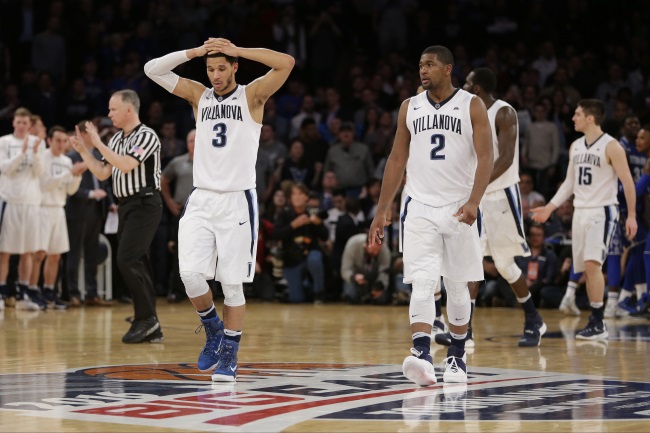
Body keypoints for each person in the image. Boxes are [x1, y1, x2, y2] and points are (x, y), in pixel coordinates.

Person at [144, 37, 294, 381]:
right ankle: (213, 328)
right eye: (210, 69)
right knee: (190, 275)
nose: (215, 75)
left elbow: (285, 62)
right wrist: (193, 53)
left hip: (237, 198)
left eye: (222, 68)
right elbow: (152, 69)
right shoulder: (199, 96)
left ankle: (230, 352)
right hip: (201, 197)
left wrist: (239, 49)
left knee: (232, 284)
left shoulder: (252, 95)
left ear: (235, 67)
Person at [368, 45, 493, 386]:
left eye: (430, 65)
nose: (422, 70)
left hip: (459, 207)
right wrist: (382, 210)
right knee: (422, 282)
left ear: (448, 68)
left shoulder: (472, 105)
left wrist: (474, 201)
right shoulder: (409, 107)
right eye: (420, 65)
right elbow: (396, 159)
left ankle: (456, 357)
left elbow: (487, 157)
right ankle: (421, 355)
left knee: (457, 285)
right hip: (419, 206)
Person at [436, 67, 546, 348]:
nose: (464, 85)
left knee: (505, 265)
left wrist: (477, 186)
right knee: (471, 260)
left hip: (500, 196)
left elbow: (507, 158)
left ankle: (533, 319)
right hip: (477, 195)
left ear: (478, 89)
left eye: (468, 82)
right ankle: (465, 329)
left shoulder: (504, 112)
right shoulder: (468, 112)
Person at [532, 99, 637, 340]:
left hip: (603, 211)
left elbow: (628, 182)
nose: (573, 118)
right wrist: (550, 207)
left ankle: (598, 322)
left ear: (590, 118)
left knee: (592, 265)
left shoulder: (612, 146)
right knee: (586, 270)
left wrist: (631, 215)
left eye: (577, 114)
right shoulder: (575, 146)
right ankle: (596, 321)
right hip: (580, 211)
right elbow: (569, 183)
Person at [69, 90, 163, 343]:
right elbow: (102, 173)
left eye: (113, 109)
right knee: (138, 262)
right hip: (126, 206)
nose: (109, 114)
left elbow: (126, 165)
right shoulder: (117, 139)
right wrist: (84, 152)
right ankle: (149, 321)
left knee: (126, 259)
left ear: (129, 110)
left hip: (145, 203)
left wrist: (98, 143)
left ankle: (147, 319)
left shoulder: (146, 135)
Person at [29, 125, 85, 309]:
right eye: (58, 140)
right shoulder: (43, 157)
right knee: (39, 254)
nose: (61, 144)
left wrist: (76, 176)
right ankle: (31, 290)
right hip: (42, 208)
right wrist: (70, 173)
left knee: (55, 255)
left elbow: (70, 190)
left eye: (64, 141)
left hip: (59, 209)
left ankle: (49, 291)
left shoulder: (66, 161)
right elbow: (46, 184)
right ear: (49, 140)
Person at [65, 120, 115, 307]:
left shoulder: (98, 155)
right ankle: (73, 294)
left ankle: (92, 293)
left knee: (92, 253)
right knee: (74, 253)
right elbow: (68, 187)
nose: (94, 135)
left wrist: (110, 203)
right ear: (83, 135)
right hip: (77, 210)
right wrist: (90, 194)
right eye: (90, 132)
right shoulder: (71, 157)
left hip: (96, 211)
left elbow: (105, 184)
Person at [0, 107, 46, 311]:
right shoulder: (4, 142)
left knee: (28, 251)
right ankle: (1, 293)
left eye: (24, 123)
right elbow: (5, 169)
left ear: (29, 125)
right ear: (13, 123)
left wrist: (34, 153)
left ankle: (23, 294)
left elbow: (39, 173)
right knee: (6, 251)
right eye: (18, 122)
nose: (21, 126)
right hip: (11, 200)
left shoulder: (39, 143)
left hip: (32, 202)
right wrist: (21, 152)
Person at [160, 129, 196, 303]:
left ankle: (206, 291)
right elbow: (163, 180)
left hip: (205, 212)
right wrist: (169, 202)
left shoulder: (212, 162)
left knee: (206, 253)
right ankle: (177, 291)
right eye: (190, 141)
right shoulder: (178, 162)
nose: (193, 144)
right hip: (182, 212)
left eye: (197, 140)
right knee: (180, 254)